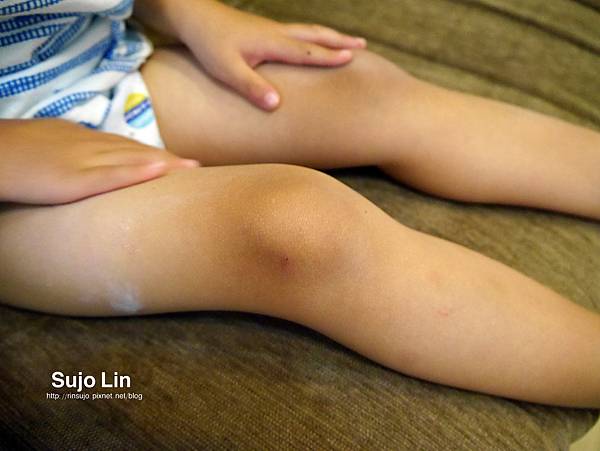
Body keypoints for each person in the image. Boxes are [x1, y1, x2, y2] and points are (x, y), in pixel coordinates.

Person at [1, 0, 599, 409]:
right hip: (12, 184)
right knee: (297, 226)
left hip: (98, 73)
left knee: (360, 88)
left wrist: (191, 12)